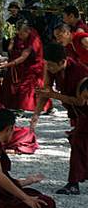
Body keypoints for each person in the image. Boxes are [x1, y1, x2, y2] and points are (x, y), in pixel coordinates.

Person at [32, 43, 88, 195]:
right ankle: (75, 181)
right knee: (79, 144)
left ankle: (73, 183)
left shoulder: (80, 72)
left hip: (84, 110)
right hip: (78, 114)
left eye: (51, 65)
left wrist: (54, 96)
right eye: (47, 64)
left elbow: (80, 101)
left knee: (78, 142)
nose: (48, 68)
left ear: (62, 62)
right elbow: (46, 89)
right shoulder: (51, 68)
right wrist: (36, 115)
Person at [0, 20, 50, 112]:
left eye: (22, 34)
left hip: (33, 67)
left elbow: (23, 57)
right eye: (19, 35)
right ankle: (11, 105)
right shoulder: (19, 37)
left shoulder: (33, 40)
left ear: (28, 31)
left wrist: (7, 65)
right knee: (9, 84)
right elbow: (11, 50)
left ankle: (32, 106)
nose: (20, 37)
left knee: (25, 88)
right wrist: (12, 42)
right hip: (19, 66)